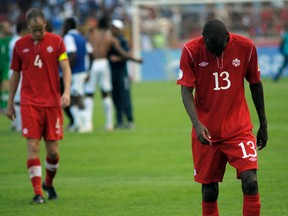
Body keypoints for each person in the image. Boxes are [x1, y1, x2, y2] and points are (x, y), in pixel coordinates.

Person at [177, 19, 268, 216]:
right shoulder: (191, 51)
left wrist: (263, 124)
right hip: (206, 133)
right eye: (211, 49)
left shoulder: (246, 47)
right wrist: (197, 124)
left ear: (228, 37)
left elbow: (255, 83)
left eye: (219, 48)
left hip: (239, 130)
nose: (216, 53)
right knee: (209, 192)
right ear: (203, 39)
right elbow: (186, 91)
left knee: (251, 181)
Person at [7, 8, 71, 204]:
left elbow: (66, 68)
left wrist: (66, 91)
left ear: (45, 25)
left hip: (52, 104)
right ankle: (37, 193)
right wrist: (10, 102)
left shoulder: (57, 42)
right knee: (32, 146)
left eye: (40, 30)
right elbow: (15, 74)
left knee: (53, 151)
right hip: (30, 103)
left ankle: (48, 183)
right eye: (33, 30)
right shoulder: (19, 46)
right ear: (28, 27)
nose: (37, 34)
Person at [84, 16, 141, 131]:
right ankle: (109, 123)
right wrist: (136, 60)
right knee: (106, 93)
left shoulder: (91, 36)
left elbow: (87, 51)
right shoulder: (110, 38)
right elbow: (123, 53)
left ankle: (88, 124)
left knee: (89, 94)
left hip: (93, 63)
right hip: (104, 64)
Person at [62, 17, 93, 132]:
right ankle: (77, 122)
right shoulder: (81, 37)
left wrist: (67, 69)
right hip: (82, 70)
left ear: (68, 26)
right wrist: (88, 70)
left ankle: (86, 124)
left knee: (78, 96)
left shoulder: (69, 37)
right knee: (74, 97)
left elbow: (72, 54)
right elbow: (91, 53)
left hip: (75, 72)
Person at [108, 19, 134, 129]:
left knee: (125, 97)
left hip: (122, 73)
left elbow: (126, 55)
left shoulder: (123, 41)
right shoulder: (110, 41)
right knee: (115, 97)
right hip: (112, 73)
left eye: (114, 28)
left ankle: (129, 120)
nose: (112, 29)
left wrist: (117, 58)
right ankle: (119, 121)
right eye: (112, 27)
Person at [8, 21, 29, 132]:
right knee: (19, 100)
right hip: (17, 72)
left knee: (18, 99)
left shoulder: (13, 41)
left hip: (14, 70)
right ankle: (19, 124)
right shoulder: (18, 42)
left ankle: (16, 124)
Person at [0, 20, 12, 113]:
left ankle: (4, 106)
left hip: (5, 66)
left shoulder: (10, 39)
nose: (9, 28)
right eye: (7, 26)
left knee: (5, 85)